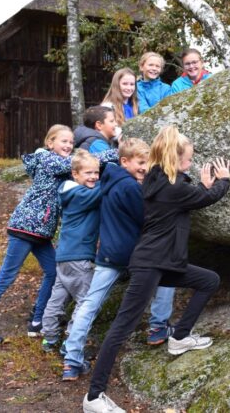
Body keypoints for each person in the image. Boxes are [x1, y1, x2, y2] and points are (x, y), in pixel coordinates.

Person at [83, 126, 230, 413]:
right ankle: (93, 397)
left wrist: (198, 185)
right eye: (188, 158)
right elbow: (204, 198)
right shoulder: (172, 187)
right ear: (176, 159)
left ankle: (179, 338)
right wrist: (222, 181)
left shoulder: (158, 179)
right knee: (121, 328)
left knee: (209, 280)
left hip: (162, 263)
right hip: (151, 264)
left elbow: (185, 191)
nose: (191, 162)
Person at [0, 125, 117, 346]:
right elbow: (80, 163)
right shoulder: (49, 161)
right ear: (50, 143)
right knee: (6, 276)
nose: (68, 146)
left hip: (41, 233)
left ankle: (38, 320)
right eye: (63, 141)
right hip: (25, 228)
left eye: (70, 142)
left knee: (53, 273)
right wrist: (119, 152)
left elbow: (83, 169)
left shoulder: (62, 166)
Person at [61, 138, 176, 381]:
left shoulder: (107, 181)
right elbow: (146, 219)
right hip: (134, 253)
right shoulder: (131, 188)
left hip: (108, 253)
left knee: (90, 303)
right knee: (167, 275)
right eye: (140, 162)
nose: (145, 167)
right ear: (124, 161)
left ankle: (71, 359)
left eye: (148, 163)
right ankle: (157, 327)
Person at [40, 150, 102, 353]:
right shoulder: (79, 193)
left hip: (64, 257)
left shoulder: (70, 192)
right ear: (75, 174)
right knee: (85, 300)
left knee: (58, 297)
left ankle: (49, 337)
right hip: (79, 257)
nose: (94, 177)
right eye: (88, 173)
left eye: (97, 172)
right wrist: (112, 178)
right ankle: (71, 341)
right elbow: (99, 193)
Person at [101, 68, 139, 134]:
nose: (129, 88)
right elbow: (109, 132)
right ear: (116, 85)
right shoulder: (108, 106)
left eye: (132, 84)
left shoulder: (134, 104)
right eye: (125, 84)